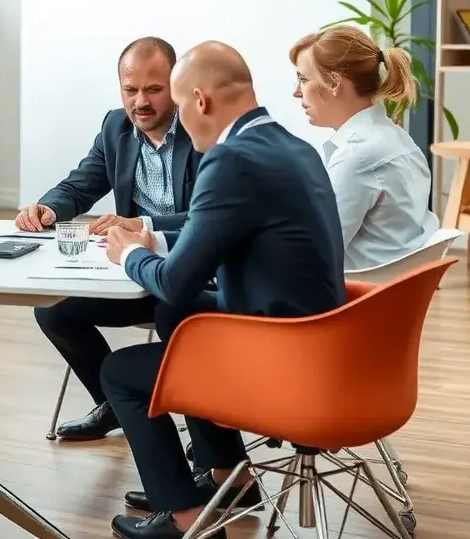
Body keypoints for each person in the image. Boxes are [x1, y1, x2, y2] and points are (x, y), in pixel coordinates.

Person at [98, 41, 345, 539]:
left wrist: (127, 254)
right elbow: (224, 228)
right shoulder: (293, 147)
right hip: (323, 346)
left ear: (199, 100)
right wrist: (156, 239)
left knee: (120, 371)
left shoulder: (230, 160)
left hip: (278, 361)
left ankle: (184, 518)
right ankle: (227, 477)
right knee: (179, 315)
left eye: (178, 105)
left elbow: (173, 281)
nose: (181, 123)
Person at [19, 37, 202, 441]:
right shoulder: (115, 126)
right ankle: (114, 406)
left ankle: (209, 440)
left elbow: (209, 218)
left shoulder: (202, 129)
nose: (141, 102)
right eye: (130, 89)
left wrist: (143, 224)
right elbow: (80, 184)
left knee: (178, 314)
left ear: (176, 85)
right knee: (54, 311)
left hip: (191, 274)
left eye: (153, 89)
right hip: (134, 272)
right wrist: (48, 208)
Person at [290, 24, 439, 270]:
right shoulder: (397, 139)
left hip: (356, 291)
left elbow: (316, 252)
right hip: (391, 286)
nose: (297, 92)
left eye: (304, 80)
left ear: (334, 82)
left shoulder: (358, 155)